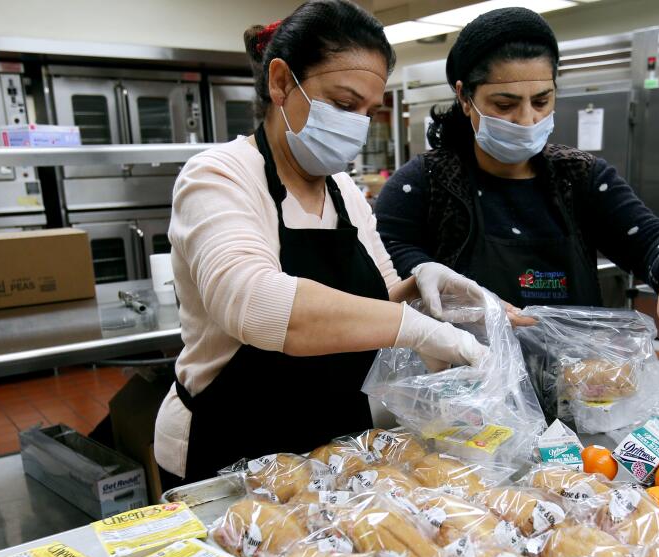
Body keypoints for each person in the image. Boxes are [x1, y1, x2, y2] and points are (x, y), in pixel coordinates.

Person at [155, 0, 497, 485]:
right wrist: (416, 329)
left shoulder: (345, 194)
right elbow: (254, 303)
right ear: (280, 83)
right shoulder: (219, 176)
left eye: (367, 110)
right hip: (229, 449)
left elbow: (374, 305)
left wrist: (421, 287)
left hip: (335, 451)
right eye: (342, 104)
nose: (356, 124)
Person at [375, 7, 659, 359]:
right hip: (467, 392)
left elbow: (650, 237)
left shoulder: (580, 177)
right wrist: (424, 274)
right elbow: (387, 259)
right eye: (505, 104)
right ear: (464, 97)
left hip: (581, 390)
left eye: (541, 101)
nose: (526, 119)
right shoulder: (425, 183)